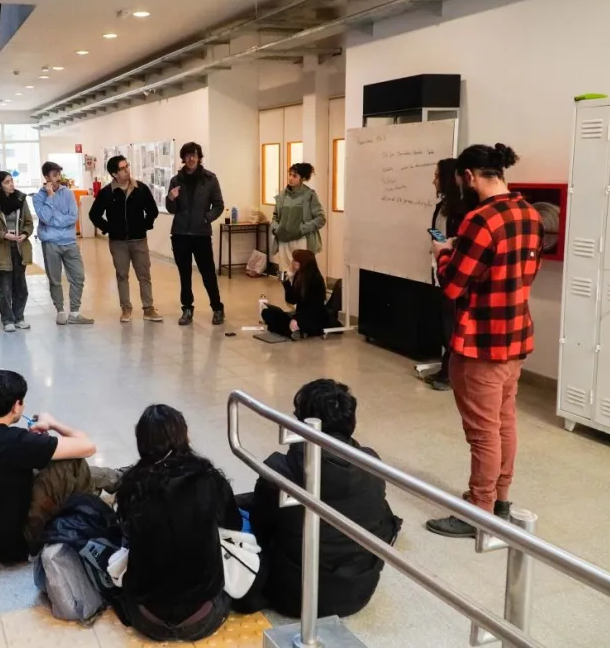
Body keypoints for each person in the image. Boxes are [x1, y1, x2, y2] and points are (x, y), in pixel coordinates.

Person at [426, 144, 543, 539]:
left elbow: (454, 285)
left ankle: (479, 510)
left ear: (471, 176)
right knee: (504, 421)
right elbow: (520, 271)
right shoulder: (530, 212)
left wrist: (443, 252)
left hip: (481, 342)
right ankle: (500, 501)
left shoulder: (480, 220)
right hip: (516, 336)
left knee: (482, 431)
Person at [244, 379, 402, 618]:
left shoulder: (279, 470)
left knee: (234, 514)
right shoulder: (371, 463)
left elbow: (260, 526)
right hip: (358, 592)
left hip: (293, 597)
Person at [115, 404, 240, 642]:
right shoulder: (209, 480)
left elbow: (128, 534)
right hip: (203, 618)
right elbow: (232, 525)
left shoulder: (132, 486)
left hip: (145, 618)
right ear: (184, 435)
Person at [0, 370, 101, 563]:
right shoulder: (16, 441)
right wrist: (52, 423)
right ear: (15, 406)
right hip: (16, 546)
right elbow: (87, 446)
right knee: (70, 462)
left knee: (40, 460)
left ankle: (113, 478)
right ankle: (90, 517)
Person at [89, 155, 162, 323]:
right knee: (122, 275)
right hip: (118, 242)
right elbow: (94, 214)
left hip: (139, 240)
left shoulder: (141, 189)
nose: (127, 170)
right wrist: (108, 228)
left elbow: (153, 210)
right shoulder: (107, 193)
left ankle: (148, 308)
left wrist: (145, 225)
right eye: (122, 168)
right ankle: (126, 308)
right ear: (114, 174)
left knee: (144, 275)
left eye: (127, 166)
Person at [166, 142, 225, 326]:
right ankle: (187, 309)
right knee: (185, 274)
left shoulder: (210, 179)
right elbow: (171, 209)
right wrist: (170, 198)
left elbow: (219, 204)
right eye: (188, 155)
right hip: (180, 234)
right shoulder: (176, 180)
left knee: (208, 273)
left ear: (199, 157)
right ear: (183, 158)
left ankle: (217, 309)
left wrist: (207, 218)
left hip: (201, 234)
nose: (191, 158)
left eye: (195, 155)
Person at [32, 161, 94, 325]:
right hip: (50, 243)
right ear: (46, 177)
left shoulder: (68, 194)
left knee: (78, 276)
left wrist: (54, 221)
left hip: (69, 241)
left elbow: (73, 216)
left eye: (58, 174)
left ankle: (74, 312)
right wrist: (50, 197)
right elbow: (44, 217)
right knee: (55, 279)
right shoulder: (39, 197)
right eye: (53, 175)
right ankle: (60, 310)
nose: (57, 178)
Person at [425, 158, 467, 391]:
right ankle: (447, 368)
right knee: (443, 321)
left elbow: (458, 242)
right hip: (437, 268)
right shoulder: (441, 207)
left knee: (451, 322)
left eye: (437, 176)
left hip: (452, 273)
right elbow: (441, 236)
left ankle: (450, 373)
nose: (433, 181)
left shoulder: (462, 209)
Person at [0, 171, 33, 332]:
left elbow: (28, 223)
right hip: (1, 248)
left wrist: (24, 234)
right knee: (3, 287)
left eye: (12, 181)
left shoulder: (21, 199)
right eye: (7, 182)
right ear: (0, 185)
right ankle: (7, 319)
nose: (12, 184)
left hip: (19, 248)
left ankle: (19, 317)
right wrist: (5, 235)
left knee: (20, 286)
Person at [270, 163, 326, 272]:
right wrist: (276, 228)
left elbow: (321, 219)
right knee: (285, 273)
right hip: (283, 241)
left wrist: (302, 229)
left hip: (301, 240)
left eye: (294, 176)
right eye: (290, 175)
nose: (290, 178)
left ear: (302, 178)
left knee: (301, 273)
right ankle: (288, 289)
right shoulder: (282, 195)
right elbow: (275, 216)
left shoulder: (309, 195)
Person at [261, 250, 328, 340]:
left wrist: (296, 318)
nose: (292, 262)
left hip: (312, 317)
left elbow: (312, 308)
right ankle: (295, 331)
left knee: (283, 324)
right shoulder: (299, 276)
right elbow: (291, 300)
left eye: (295, 260)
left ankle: (292, 331)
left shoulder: (315, 280)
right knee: (267, 313)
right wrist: (286, 283)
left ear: (303, 263)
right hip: (299, 315)